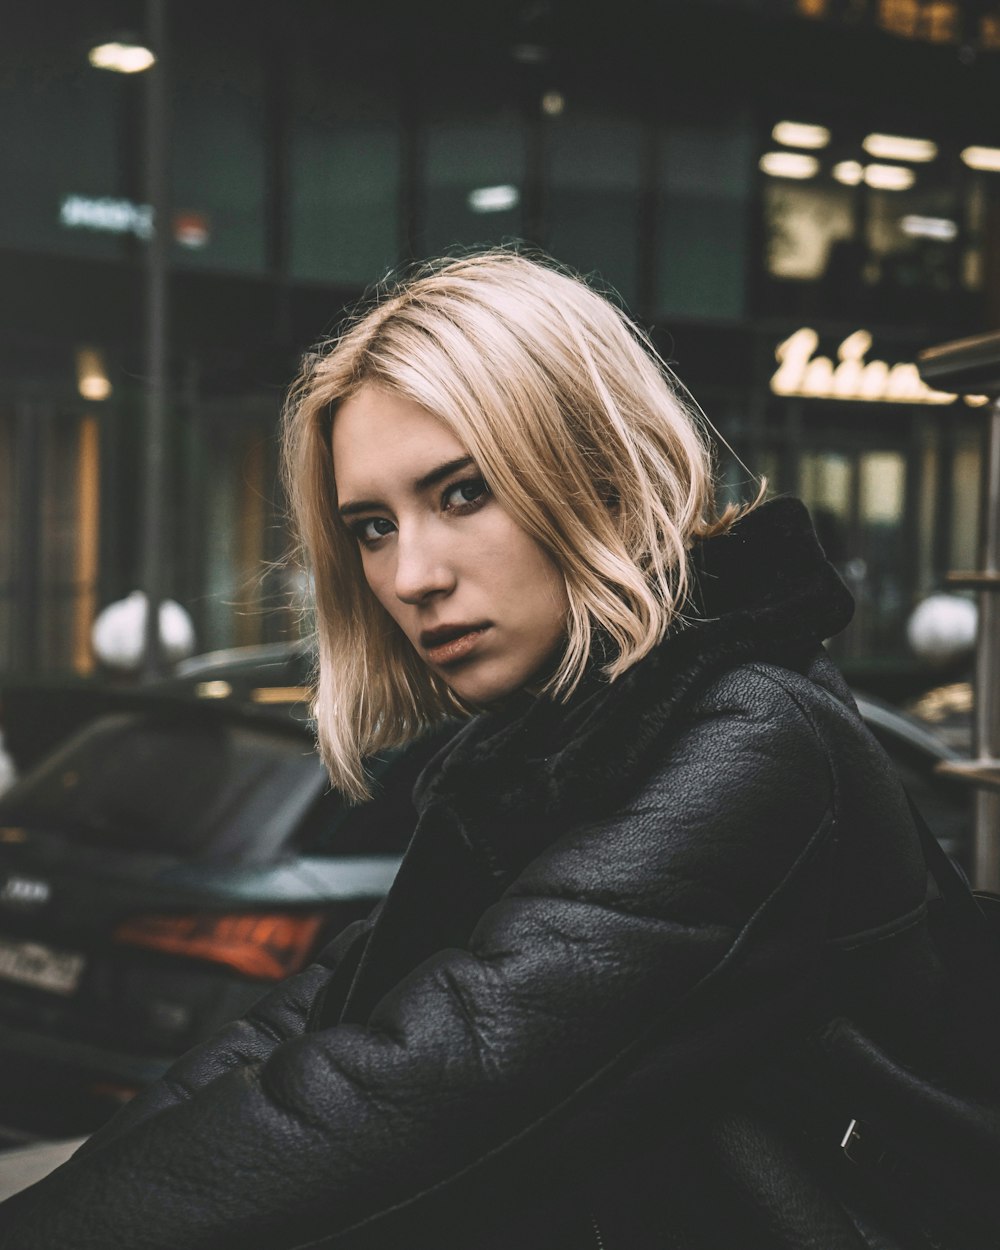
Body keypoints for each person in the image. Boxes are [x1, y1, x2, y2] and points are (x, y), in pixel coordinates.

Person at [0, 252, 938, 1248]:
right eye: (370, 525)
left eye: (460, 493)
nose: (409, 575)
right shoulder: (560, 739)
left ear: (598, 467)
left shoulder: (748, 738)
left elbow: (423, 1081)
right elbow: (323, 1018)